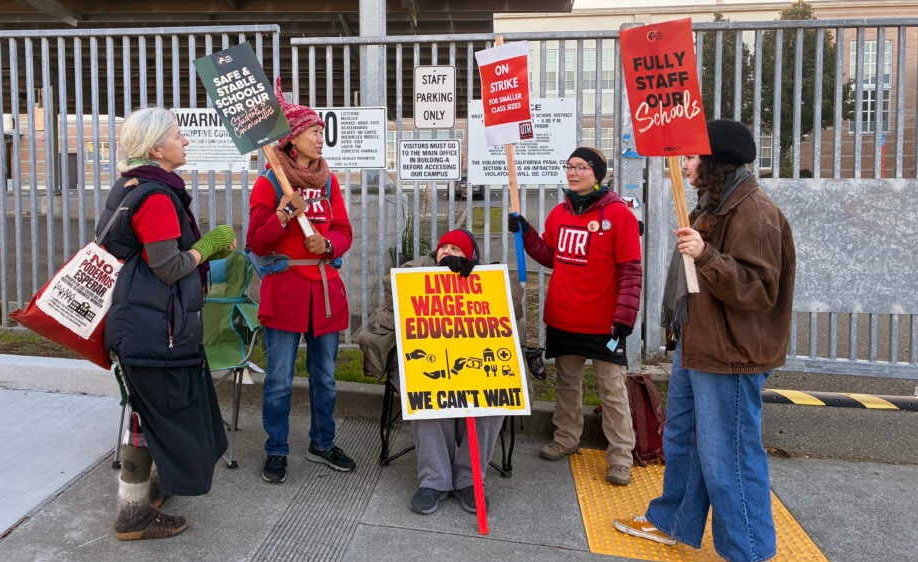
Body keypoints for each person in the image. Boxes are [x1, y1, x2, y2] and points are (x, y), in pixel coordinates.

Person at [614, 119, 796, 562]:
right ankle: (673, 520)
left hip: (731, 355)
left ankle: (751, 554)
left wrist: (707, 255)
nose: (686, 165)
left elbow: (757, 290)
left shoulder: (753, 214)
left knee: (729, 453)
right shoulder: (714, 204)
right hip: (701, 346)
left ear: (718, 163)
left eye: (693, 158)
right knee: (683, 441)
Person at [98, 107, 235, 540]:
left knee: (149, 416)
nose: (186, 142)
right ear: (157, 148)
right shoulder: (156, 197)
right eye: (179, 136)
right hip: (155, 331)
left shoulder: (132, 185)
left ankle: (149, 492)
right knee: (151, 421)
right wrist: (207, 247)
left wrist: (202, 252)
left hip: (143, 324)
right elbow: (169, 266)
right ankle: (132, 515)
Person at [508, 146, 642, 486]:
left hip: (604, 322)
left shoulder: (619, 215)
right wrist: (525, 231)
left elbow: (630, 270)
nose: (572, 172)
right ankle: (566, 439)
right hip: (564, 316)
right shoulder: (559, 212)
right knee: (567, 384)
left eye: (580, 167)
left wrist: (625, 316)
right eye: (569, 166)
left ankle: (621, 457)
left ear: (597, 173)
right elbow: (550, 255)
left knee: (611, 389)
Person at [358, 229, 516, 515]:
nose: (448, 253)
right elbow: (392, 291)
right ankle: (435, 480)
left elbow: (513, 306)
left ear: (471, 258)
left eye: (457, 250)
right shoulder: (415, 270)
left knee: (493, 400)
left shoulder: (486, 276)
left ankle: (469, 479)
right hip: (420, 359)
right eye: (444, 248)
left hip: (472, 363)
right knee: (428, 392)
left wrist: (476, 279)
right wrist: (436, 275)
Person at [247, 78, 355, 484]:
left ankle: (322, 443)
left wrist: (326, 242)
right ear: (292, 139)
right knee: (278, 380)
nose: (320, 137)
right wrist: (281, 216)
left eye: (321, 131)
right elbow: (256, 240)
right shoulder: (270, 182)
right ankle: (276, 449)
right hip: (287, 290)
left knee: (325, 376)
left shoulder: (328, 181)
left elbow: (345, 231)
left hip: (325, 291)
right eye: (313, 131)